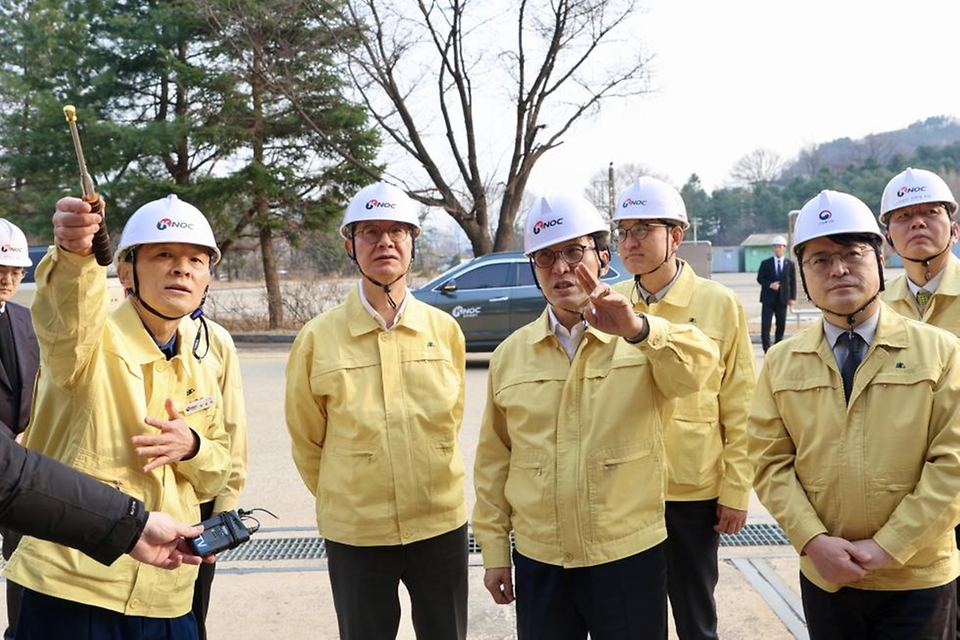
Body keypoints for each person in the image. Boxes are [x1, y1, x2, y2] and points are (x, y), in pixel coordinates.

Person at [472, 192, 719, 640]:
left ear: (604, 259)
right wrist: (494, 551)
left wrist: (639, 330)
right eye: (545, 258)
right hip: (541, 558)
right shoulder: (511, 355)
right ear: (534, 270)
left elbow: (700, 371)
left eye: (574, 252)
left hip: (628, 556)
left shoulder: (638, 337)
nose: (562, 268)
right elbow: (494, 461)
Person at [5, 194, 232, 640]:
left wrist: (193, 448)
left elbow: (218, 468)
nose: (181, 268)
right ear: (126, 270)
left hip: (168, 590)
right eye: (163, 254)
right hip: (74, 585)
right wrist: (75, 254)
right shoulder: (87, 343)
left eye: (195, 259)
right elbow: (67, 313)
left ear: (207, 277)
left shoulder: (203, 359)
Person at [749, 189, 960, 639]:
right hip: (827, 576)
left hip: (917, 577)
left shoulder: (940, 352)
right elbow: (770, 463)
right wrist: (811, 540)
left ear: (881, 259)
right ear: (802, 274)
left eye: (852, 254)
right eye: (820, 260)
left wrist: (891, 545)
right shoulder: (783, 362)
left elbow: (953, 464)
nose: (838, 269)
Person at [285, 181, 468, 640]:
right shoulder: (317, 338)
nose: (385, 242)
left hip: (438, 524)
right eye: (370, 232)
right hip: (356, 532)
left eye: (397, 231)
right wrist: (349, 492)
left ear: (413, 243)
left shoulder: (444, 331)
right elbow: (308, 442)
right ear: (350, 245)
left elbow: (450, 420)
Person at [611, 177, 756, 640]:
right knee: (634, 615)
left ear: (676, 236)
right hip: (626, 490)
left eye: (643, 229)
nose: (630, 242)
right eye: (623, 231)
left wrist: (736, 489)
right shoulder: (609, 305)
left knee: (695, 614)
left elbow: (741, 402)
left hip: (692, 489)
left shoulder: (718, 304)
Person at [878, 167, 960, 636]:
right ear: (888, 236)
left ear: (954, 225)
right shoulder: (877, 307)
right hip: (911, 496)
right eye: (904, 216)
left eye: (931, 212)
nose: (918, 224)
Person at [0, 432, 208, 569]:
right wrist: (131, 525)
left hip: (167, 591)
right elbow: (11, 475)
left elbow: (11, 476)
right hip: (65, 579)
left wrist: (193, 446)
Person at [192, 318, 248, 640]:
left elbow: (233, 428)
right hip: (129, 507)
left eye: (195, 263)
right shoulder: (108, 331)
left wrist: (224, 509)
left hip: (199, 509)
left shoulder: (215, 340)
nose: (181, 272)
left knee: (192, 618)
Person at [0, 220, 39, 640]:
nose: (8, 279)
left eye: (15, 270)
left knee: (23, 556)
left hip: (18, 468)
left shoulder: (26, 321)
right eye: (0, 269)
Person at [756, 234, 797, 352]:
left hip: (782, 299)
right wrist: (770, 285)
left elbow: (792, 282)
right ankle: (766, 349)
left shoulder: (789, 264)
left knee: (781, 324)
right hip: (768, 299)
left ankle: (778, 349)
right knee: (766, 325)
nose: (778, 249)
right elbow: (760, 278)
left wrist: (792, 298)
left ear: (784, 248)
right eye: (775, 246)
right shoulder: (766, 263)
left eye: (780, 246)